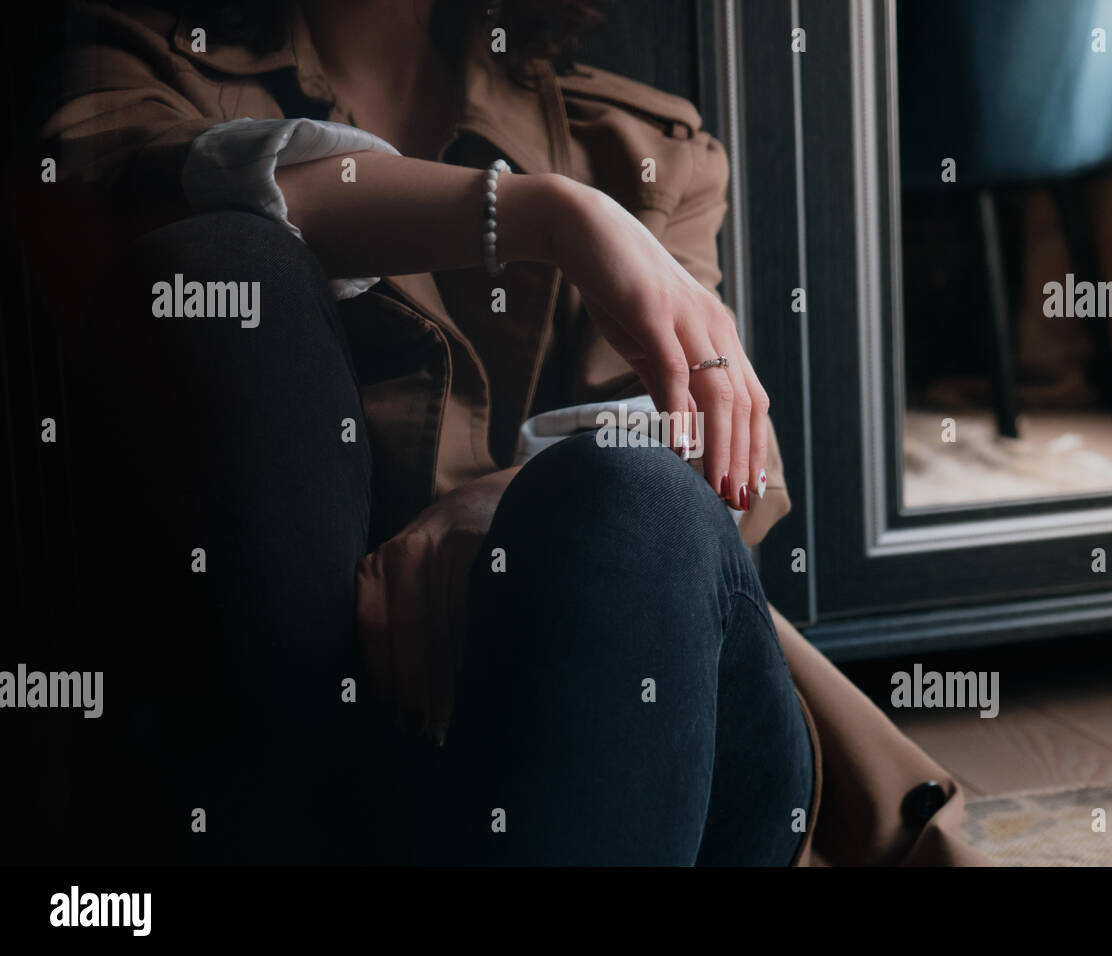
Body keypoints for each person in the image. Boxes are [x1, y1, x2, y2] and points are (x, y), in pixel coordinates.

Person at [32, 0, 987, 866]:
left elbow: (727, 457)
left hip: (639, 739)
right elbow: (138, 201)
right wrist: (550, 217)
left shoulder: (644, 140)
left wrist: (508, 506)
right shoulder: (128, 60)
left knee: (632, 494)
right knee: (221, 264)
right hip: (301, 743)